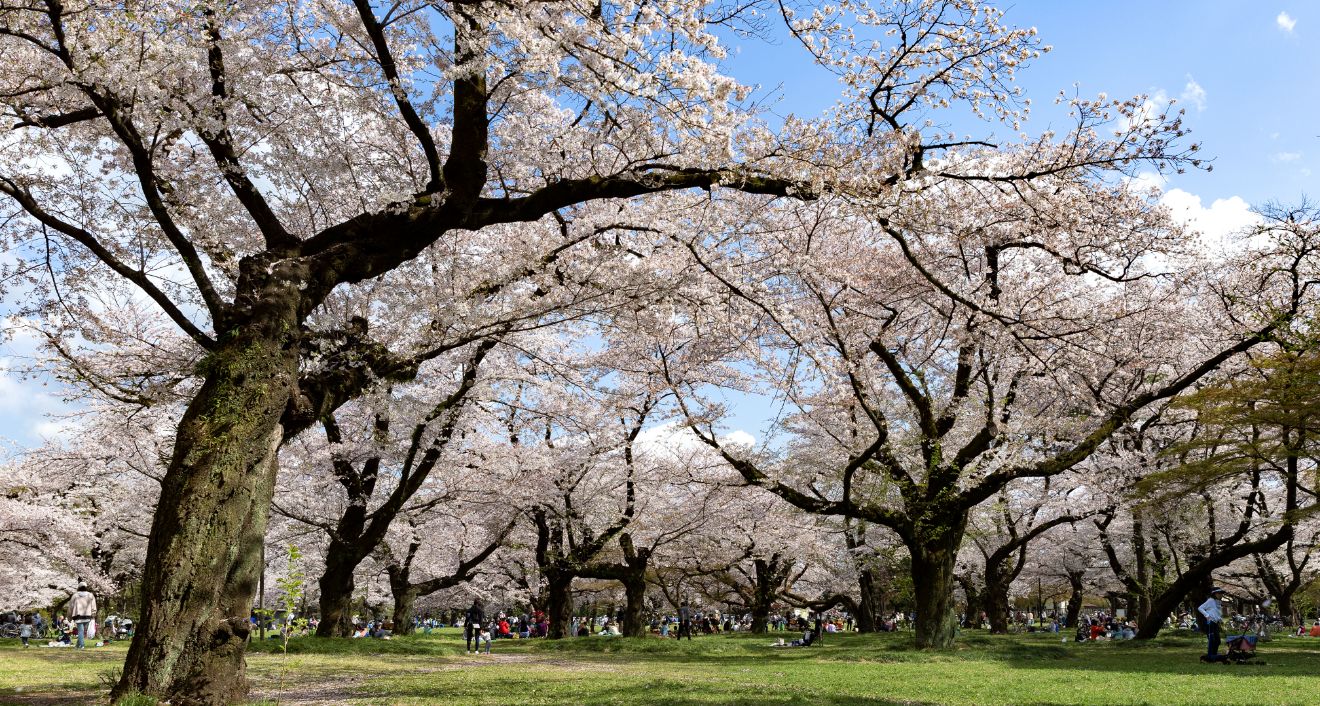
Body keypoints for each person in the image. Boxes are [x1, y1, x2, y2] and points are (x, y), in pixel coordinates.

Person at [1198, 587, 1227, 663]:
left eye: (1221, 593)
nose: (1221, 595)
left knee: (1218, 641)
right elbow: (1200, 608)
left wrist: (1220, 619)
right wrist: (1207, 616)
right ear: (1214, 594)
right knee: (1212, 640)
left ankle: (1213, 656)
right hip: (1210, 623)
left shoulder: (1218, 602)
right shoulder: (1210, 600)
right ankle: (1210, 656)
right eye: (1219, 593)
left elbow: (1216, 612)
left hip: (1215, 623)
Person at [70, 582, 97, 650]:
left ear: (79, 587)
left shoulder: (75, 595)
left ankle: (81, 645)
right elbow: (93, 606)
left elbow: (71, 606)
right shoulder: (91, 595)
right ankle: (77, 646)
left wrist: (70, 616)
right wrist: (93, 614)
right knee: (82, 631)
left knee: (80, 631)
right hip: (87, 616)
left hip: (78, 616)